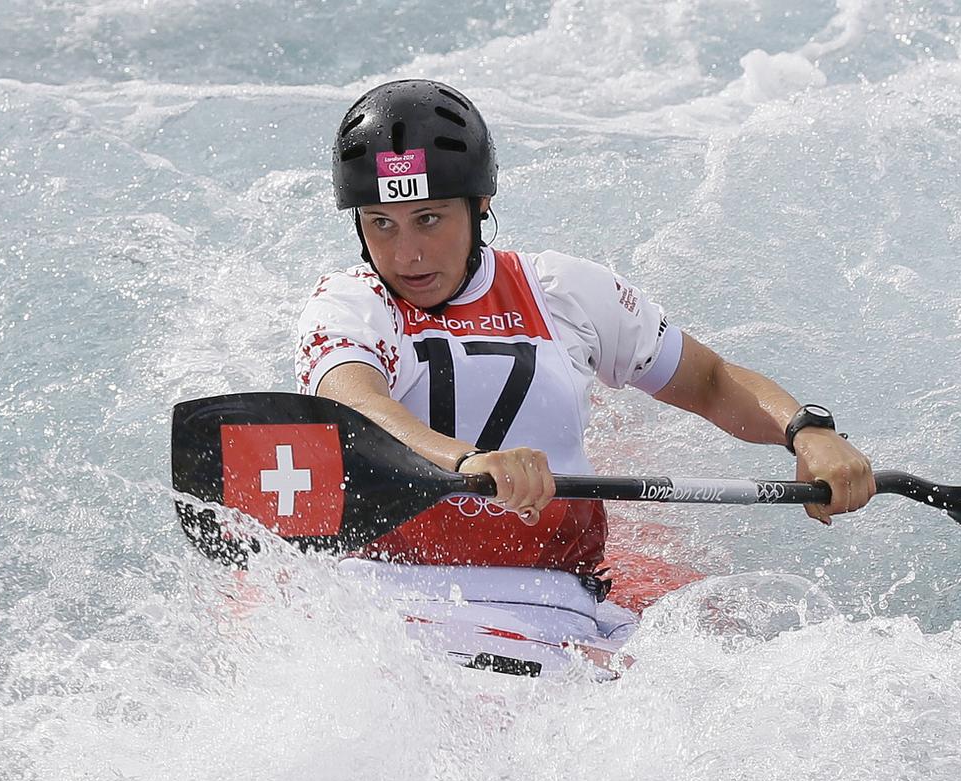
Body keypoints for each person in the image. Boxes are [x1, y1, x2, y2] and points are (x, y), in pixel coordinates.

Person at [296, 79, 875, 602]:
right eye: (382, 223)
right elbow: (353, 404)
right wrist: (470, 460)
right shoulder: (347, 302)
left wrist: (807, 432)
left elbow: (711, 382)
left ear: (480, 206)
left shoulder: (561, 290)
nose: (407, 254)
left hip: (558, 594)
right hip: (387, 589)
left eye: (429, 219)